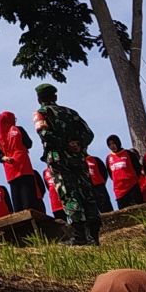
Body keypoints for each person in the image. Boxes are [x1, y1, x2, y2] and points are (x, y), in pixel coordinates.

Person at [33, 83, 100, 245]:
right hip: (78, 159)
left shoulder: (41, 114)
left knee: (69, 194)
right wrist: (78, 145)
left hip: (59, 160)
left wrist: (65, 145)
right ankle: (94, 236)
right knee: (87, 194)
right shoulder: (71, 113)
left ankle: (80, 237)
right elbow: (89, 134)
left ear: (39, 99)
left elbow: (44, 134)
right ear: (55, 97)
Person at [0, 111, 44, 213]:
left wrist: (4, 158)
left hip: (10, 169)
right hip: (23, 165)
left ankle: (20, 215)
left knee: (16, 195)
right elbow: (29, 144)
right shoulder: (18, 129)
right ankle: (31, 213)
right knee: (28, 192)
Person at [105, 135, 145, 209]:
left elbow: (137, 168)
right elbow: (110, 174)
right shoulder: (108, 158)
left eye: (113, 143)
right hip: (119, 190)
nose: (112, 146)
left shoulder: (128, 153)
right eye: (109, 144)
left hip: (132, 186)